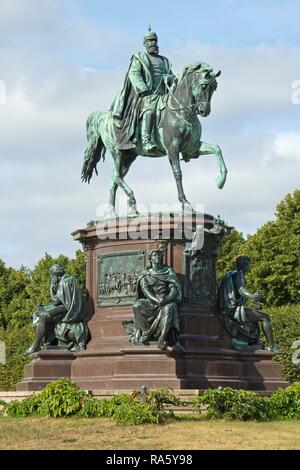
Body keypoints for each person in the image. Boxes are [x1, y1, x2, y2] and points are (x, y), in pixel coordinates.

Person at [110, 26, 175, 152]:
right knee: (149, 111)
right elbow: (134, 74)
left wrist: (170, 78)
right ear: (145, 43)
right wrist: (144, 90)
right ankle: (146, 141)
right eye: (150, 41)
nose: (153, 43)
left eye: (155, 40)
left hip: (163, 95)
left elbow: (172, 75)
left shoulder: (164, 61)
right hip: (146, 94)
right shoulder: (139, 57)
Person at [25, 264, 90, 355]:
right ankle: (47, 341)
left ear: (56, 274)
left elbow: (56, 301)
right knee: (38, 313)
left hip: (69, 310)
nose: (51, 277)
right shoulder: (69, 279)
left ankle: (36, 346)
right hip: (70, 307)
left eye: (52, 275)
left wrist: (52, 288)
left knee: (43, 316)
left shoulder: (64, 282)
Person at [218, 256, 279, 352]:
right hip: (233, 310)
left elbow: (237, 294)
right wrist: (252, 296)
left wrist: (251, 298)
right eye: (248, 264)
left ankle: (252, 341)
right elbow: (241, 290)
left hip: (230, 308)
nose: (250, 266)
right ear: (243, 264)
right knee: (265, 317)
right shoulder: (238, 274)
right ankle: (272, 347)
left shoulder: (233, 274)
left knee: (255, 317)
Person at [132, 249, 183, 351]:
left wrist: (167, 299)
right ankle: (146, 333)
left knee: (170, 307)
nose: (157, 257)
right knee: (137, 305)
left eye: (159, 255)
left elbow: (174, 288)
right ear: (150, 258)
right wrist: (156, 300)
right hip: (152, 301)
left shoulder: (168, 271)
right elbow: (145, 291)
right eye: (154, 255)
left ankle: (162, 339)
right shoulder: (145, 274)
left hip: (166, 299)